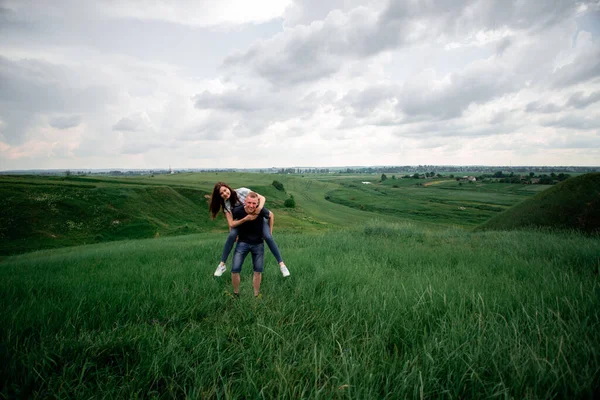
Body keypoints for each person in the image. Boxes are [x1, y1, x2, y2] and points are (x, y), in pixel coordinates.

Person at [209, 182, 290, 277]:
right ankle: (222, 265)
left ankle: (282, 265)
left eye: (225, 190)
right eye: (221, 194)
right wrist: (234, 234)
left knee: (268, 236)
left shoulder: (242, 191)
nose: (225, 194)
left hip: (257, 218)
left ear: (228, 187)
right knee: (231, 235)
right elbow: (231, 223)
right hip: (242, 221)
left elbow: (262, 198)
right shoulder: (226, 204)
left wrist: (259, 208)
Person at [229, 192, 271, 297]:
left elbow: (271, 216)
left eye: (254, 203)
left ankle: (256, 295)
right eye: (249, 203)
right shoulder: (238, 210)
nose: (251, 206)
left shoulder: (260, 210)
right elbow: (230, 221)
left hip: (258, 244)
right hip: (242, 243)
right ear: (245, 201)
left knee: (258, 271)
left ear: (257, 203)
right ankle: (236, 293)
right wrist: (233, 234)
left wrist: (269, 234)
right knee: (235, 270)